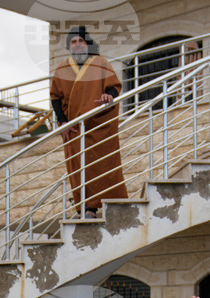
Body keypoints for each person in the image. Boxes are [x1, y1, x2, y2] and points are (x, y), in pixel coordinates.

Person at [49, 26, 128, 219]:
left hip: (99, 125)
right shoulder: (62, 69)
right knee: (77, 167)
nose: (77, 45)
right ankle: (84, 208)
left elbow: (114, 87)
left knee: (103, 165)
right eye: (74, 42)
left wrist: (108, 97)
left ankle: (108, 204)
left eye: (81, 41)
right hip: (74, 128)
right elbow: (56, 98)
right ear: (70, 46)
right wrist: (62, 122)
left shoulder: (100, 63)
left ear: (87, 44)